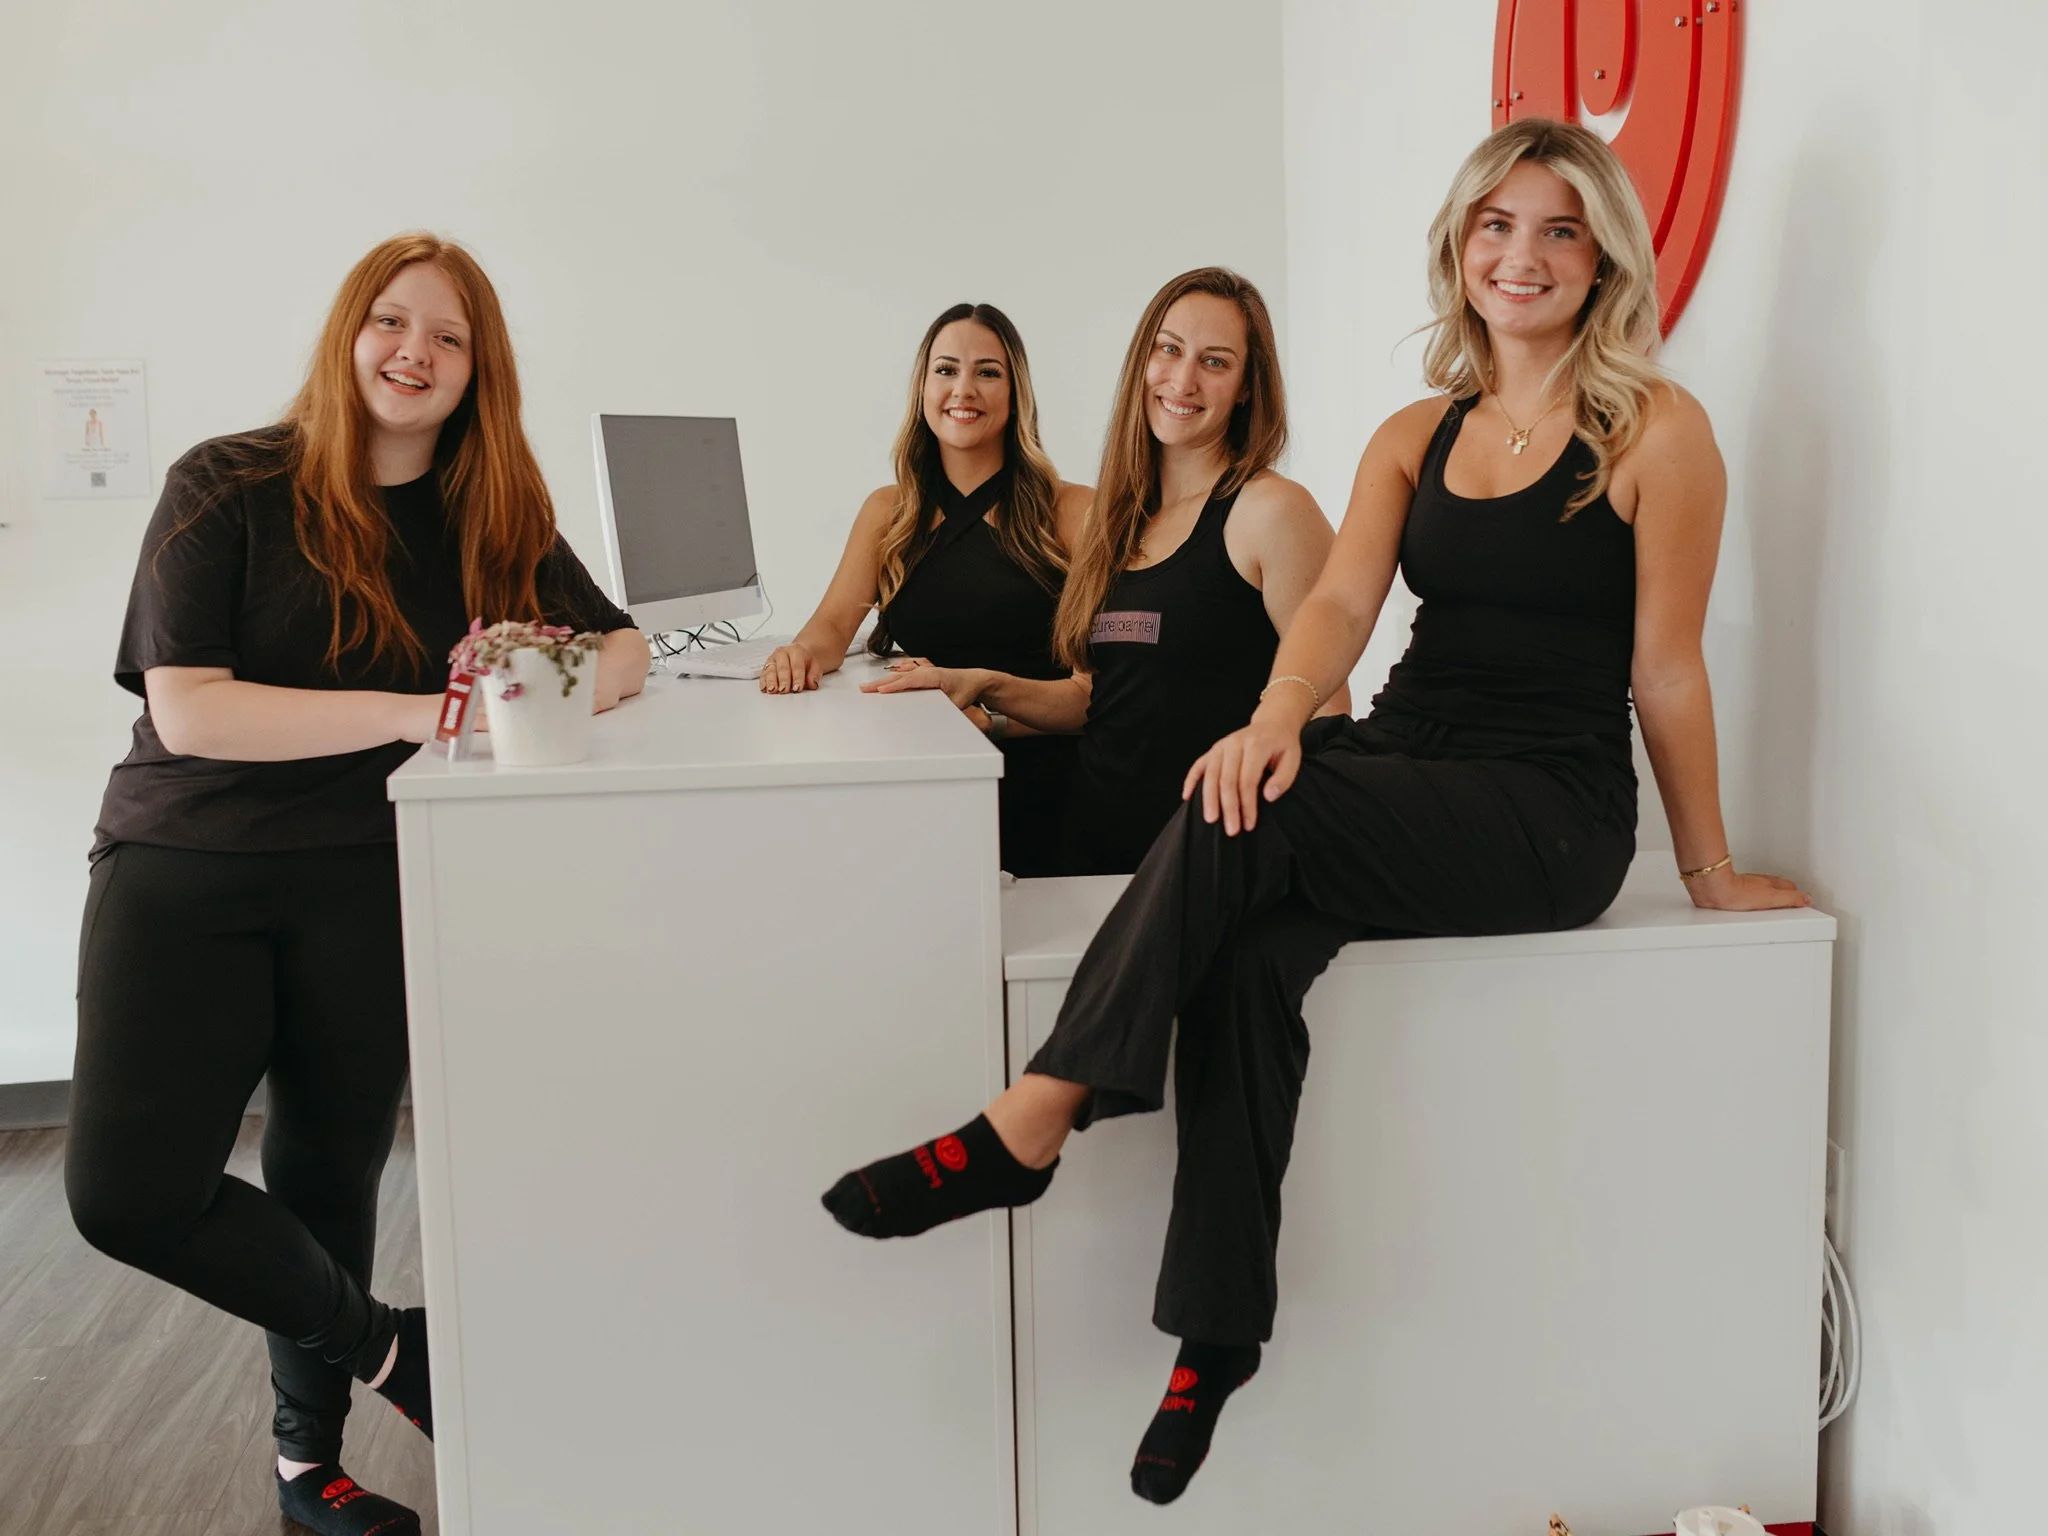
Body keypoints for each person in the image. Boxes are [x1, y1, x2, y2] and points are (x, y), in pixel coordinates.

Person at [822, 121, 1811, 1504]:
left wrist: (1704, 869)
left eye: (1558, 231)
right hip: (1410, 753)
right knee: (1241, 931)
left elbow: (1667, 667)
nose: (1521, 256)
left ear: (1602, 261)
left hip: (1547, 803)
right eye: (1495, 226)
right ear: (1459, 247)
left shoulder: (1656, 429)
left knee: (1252, 810)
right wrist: (1278, 714)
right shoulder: (1417, 433)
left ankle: (1031, 1118)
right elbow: (1342, 603)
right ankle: (1214, 1337)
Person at [66, 233, 647, 1536]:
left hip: (367, 877)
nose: (413, 353)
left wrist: (531, 686)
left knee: (328, 1175)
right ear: (349, 332)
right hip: (188, 869)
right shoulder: (228, 482)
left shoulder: (490, 515)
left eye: (447, 337)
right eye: (391, 321)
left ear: (477, 370)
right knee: (126, 1196)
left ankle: (307, 1471)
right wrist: (414, 710)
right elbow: (193, 710)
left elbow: (623, 648)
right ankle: (396, 1349)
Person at [866, 267, 1344, 876]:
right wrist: (982, 683)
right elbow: (1097, 699)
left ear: (1248, 386)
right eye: (1168, 350)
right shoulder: (1118, 518)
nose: (1183, 380)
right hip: (1093, 854)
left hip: (1210, 864)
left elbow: (1328, 713)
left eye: (1215, 362)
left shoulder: (1272, 511)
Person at [758, 303, 1089, 875]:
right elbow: (832, 627)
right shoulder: (890, 512)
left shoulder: (1074, 511)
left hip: (1049, 778)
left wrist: (995, 716)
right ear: (923, 388)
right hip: (931, 775)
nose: (964, 389)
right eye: (946, 370)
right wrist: (799, 654)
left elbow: (1106, 696)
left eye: (988, 372)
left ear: (1017, 394)